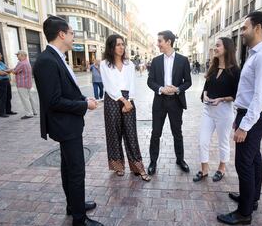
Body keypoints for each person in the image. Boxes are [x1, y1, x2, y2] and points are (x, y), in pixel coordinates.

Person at [33, 16, 104, 226]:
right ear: (62, 34)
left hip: (68, 123)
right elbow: (53, 100)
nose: (74, 37)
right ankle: (79, 219)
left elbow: (66, 91)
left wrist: (83, 100)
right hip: (65, 125)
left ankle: (74, 206)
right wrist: (84, 106)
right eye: (72, 33)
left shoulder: (57, 58)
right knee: (76, 171)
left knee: (68, 167)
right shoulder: (47, 61)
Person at [217, 11, 262, 225]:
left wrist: (244, 126)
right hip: (249, 114)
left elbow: (260, 97)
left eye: (244, 28)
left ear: (258, 28)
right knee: (254, 159)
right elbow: (249, 93)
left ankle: (244, 213)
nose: (241, 32)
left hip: (254, 116)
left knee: (244, 163)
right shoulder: (256, 55)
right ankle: (250, 199)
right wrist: (239, 118)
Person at [100, 34, 151, 182]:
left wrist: (129, 101)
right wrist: (122, 100)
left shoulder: (129, 64)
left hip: (128, 99)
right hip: (112, 99)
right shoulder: (104, 64)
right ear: (111, 47)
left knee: (131, 134)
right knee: (113, 133)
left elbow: (132, 84)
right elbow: (108, 85)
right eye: (118, 45)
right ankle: (118, 166)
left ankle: (137, 167)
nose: (121, 47)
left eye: (123, 44)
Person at [193, 37, 240, 183]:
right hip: (208, 110)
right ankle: (204, 169)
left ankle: (221, 168)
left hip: (224, 112)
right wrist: (205, 95)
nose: (215, 48)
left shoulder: (235, 71)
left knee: (223, 141)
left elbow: (236, 94)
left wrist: (222, 99)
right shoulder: (213, 68)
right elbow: (206, 88)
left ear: (226, 48)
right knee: (202, 141)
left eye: (218, 45)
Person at [147, 30, 192, 175]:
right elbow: (150, 81)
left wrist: (177, 89)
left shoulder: (183, 60)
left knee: (177, 133)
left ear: (168, 42)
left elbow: (188, 82)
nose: (157, 43)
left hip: (176, 102)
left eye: (160, 41)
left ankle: (180, 159)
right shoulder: (156, 61)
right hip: (159, 101)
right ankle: (153, 161)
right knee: (156, 133)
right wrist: (161, 89)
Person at [13, 50, 37, 119]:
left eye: (18, 55)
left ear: (23, 55)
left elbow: (15, 71)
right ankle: (34, 111)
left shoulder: (21, 63)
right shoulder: (27, 62)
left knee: (25, 99)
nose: (17, 57)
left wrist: (9, 70)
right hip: (28, 83)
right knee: (30, 98)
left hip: (22, 84)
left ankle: (29, 113)